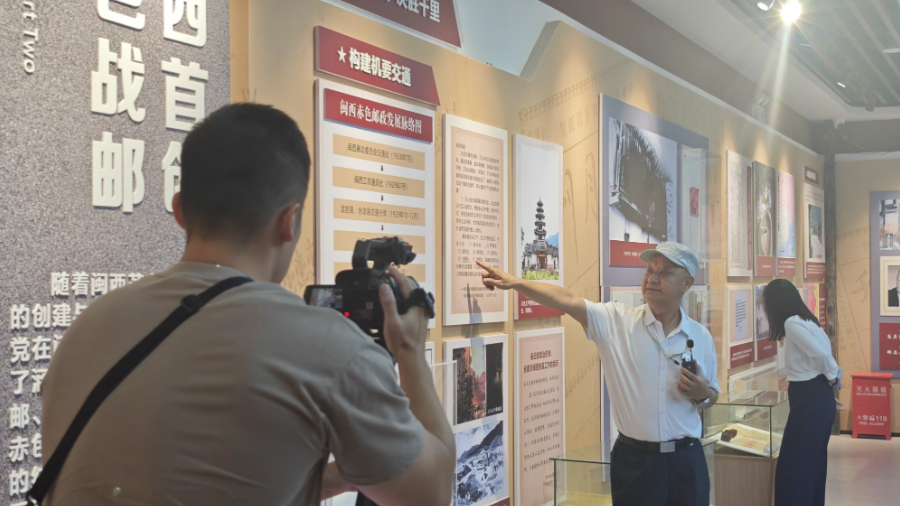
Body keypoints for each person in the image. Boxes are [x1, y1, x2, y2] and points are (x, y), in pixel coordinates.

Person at [40, 104, 455, 506]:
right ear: (288, 221)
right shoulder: (327, 349)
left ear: (179, 210)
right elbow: (431, 494)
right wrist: (409, 353)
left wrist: (327, 479)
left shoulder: (88, 327)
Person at [478, 242, 719, 506]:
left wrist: (703, 393)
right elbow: (568, 300)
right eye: (649, 270)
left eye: (664, 273)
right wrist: (516, 283)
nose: (652, 278)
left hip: (687, 461)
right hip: (636, 462)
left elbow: (711, 396)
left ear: (687, 283)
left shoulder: (700, 336)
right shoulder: (617, 321)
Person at [764, 279, 839, 506]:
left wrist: (833, 378)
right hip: (817, 396)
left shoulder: (792, 323)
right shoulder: (808, 320)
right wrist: (831, 383)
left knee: (793, 469)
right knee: (812, 465)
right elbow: (824, 354)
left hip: (809, 398)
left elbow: (821, 356)